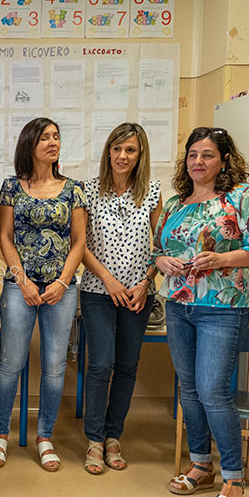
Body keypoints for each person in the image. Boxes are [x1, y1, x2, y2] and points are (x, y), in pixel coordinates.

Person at [154, 127, 249, 497]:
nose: (198, 162)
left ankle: (233, 476)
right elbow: (158, 251)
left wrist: (222, 260)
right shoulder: (177, 202)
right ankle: (200, 464)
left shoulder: (243, 198)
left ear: (224, 160)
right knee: (189, 389)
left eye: (207, 155)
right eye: (193, 155)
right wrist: (163, 263)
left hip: (223, 307)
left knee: (213, 390)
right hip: (178, 305)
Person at [0, 117, 87, 472]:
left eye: (56, 137)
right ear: (30, 144)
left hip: (62, 289)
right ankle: (1, 434)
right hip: (19, 287)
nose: (52, 142)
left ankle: (45, 436)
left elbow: (79, 242)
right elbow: (5, 236)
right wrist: (22, 280)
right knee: (10, 363)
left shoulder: (73, 189)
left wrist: (62, 281)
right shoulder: (12, 187)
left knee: (55, 366)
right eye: (45, 137)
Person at [80, 123, 162, 475]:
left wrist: (145, 282)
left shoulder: (154, 192)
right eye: (117, 149)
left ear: (140, 153)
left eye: (130, 149)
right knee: (101, 364)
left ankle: (114, 436)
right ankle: (95, 441)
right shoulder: (88, 191)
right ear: (108, 152)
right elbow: (79, 246)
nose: (122, 156)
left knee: (127, 366)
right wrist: (109, 280)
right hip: (98, 291)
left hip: (138, 294)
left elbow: (161, 246)